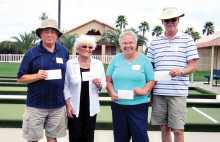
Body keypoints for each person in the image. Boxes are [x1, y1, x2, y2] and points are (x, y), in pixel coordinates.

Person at [147, 7, 199, 142]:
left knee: (178, 130)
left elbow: (193, 66)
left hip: (178, 92)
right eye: (167, 20)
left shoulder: (187, 40)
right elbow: (149, 68)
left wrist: (181, 71)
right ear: (162, 22)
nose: (170, 22)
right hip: (159, 92)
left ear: (178, 20)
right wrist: (150, 91)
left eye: (173, 19)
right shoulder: (154, 42)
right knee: (164, 128)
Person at [17, 19, 69, 142]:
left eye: (53, 32)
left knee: (52, 138)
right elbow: (20, 78)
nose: (49, 35)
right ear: (41, 34)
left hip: (57, 104)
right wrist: (36, 76)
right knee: (33, 138)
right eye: (46, 32)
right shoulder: (31, 53)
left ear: (57, 35)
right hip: (36, 105)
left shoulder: (63, 51)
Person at [106, 31, 155, 142]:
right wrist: (112, 93)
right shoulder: (115, 60)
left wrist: (143, 91)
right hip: (119, 106)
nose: (128, 46)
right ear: (120, 45)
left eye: (131, 42)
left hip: (138, 106)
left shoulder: (144, 60)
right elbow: (108, 81)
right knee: (120, 138)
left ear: (136, 44)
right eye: (124, 43)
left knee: (140, 138)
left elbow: (151, 80)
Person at [64, 34, 107, 142]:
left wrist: (99, 84)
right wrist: (68, 105)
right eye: (84, 46)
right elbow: (65, 87)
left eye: (90, 47)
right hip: (74, 106)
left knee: (89, 136)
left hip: (91, 106)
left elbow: (104, 84)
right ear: (78, 48)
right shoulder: (70, 64)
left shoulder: (98, 64)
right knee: (75, 136)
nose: (87, 49)